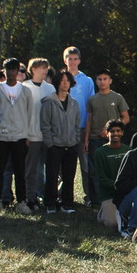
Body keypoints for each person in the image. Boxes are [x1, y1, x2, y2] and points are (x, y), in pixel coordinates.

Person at [0, 58, 34, 213]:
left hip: (20, 137)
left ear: (18, 71)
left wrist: (27, 134)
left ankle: (22, 201)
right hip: (0, 137)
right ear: (4, 71)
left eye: (14, 69)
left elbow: (30, 114)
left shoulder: (26, 91)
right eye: (8, 69)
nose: (11, 73)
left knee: (20, 170)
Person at [84, 69, 131, 206]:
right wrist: (86, 139)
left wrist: (111, 129)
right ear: (96, 81)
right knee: (94, 171)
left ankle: (115, 197)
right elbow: (89, 120)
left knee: (114, 169)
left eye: (105, 79)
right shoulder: (92, 99)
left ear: (110, 81)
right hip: (95, 139)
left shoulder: (117, 97)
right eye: (99, 79)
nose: (102, 82)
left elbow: (126, 118)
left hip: (113, 139)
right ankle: (96, 200)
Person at [41, 69, 82, 215]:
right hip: (54, 145)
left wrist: (76, 141)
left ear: (71, 83)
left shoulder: (74, 103)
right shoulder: (49, 102)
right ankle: (50, 203)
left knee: (69, 176)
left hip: (71, 145)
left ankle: (67, 203)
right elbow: (45, 125)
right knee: (52, 176)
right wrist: (50, 144)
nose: (64, 84)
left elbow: (77, 124)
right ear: (57, 83)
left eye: (67, 81)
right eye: (62, 81)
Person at [62, 46, 95, 206]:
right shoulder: (60, 79)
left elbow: (90, 108)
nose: (73, 62)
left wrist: (88, 132)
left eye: (75, 59)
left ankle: (89, 196)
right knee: (64, 164)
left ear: (79, 61)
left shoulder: (87, 81)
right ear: (65, 60)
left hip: (82, 128)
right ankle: (62, 195)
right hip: (63, 128)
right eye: (70, 59)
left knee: (85, 164)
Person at [23, 57, 56, 212]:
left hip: (48, 136)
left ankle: (47, 197)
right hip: (31, 135)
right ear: (33, 69)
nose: (45, 70)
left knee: (49, 169)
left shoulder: (50, 89)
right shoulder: (24, 87)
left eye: (46, 68)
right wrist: (25, 134)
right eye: (42, 68)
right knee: (31, 169)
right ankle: (30, 198)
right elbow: (21, 113)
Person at [94, 119, 131, 224]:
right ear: (107, 133)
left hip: (125, 192)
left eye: (118, 131)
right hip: (109, 193)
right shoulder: (99, 153)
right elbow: (101, 178)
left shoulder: (128, 150)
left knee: (131, 220)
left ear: (122, 133)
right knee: (111, 223)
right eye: (112, 131)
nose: (116, 133)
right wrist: (117, 185)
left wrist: (125, 187)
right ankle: (103, 212)